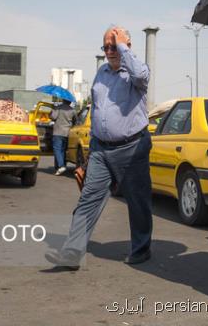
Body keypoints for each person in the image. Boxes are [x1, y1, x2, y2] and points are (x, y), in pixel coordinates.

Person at [46, 26, 153, 268]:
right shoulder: (101, 73)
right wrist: (93, 147)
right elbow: (96, 110)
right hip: (101, 150)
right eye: (106, 47)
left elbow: (140, 75)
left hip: (132, 148)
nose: (110, 51)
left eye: (114, 46)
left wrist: (123, 46)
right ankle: (72, 252)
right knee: (88, 198)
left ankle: (141, 248)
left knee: (138, 201)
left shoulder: (137, 72)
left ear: (127, 45)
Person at [49, 99, 78, 176]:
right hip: (67, 132)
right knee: (62, 150)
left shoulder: (58, 108)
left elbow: (53, 117)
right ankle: (60, 167)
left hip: (58, 131)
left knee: (57, 149)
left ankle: (61, 166)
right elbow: (76, 120)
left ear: (63, 100)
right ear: (70, 102)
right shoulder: (73, 110)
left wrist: (52, 110)